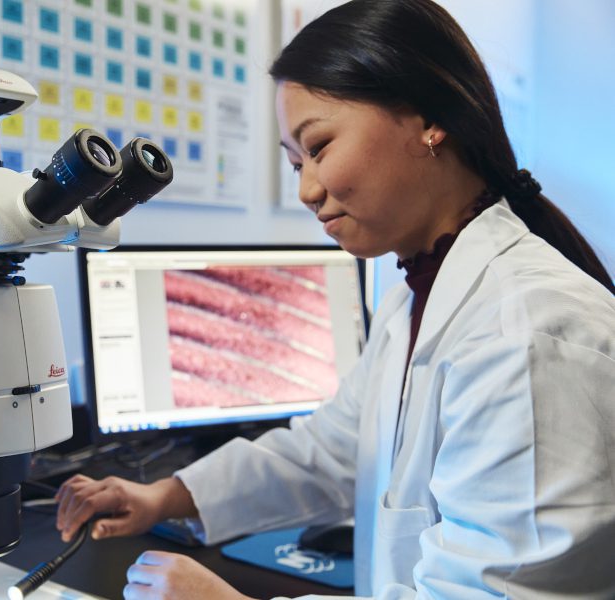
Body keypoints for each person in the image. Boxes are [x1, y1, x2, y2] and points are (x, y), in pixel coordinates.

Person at [55, 0, 615, 598]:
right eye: (294, 162)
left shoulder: (527, 333)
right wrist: (164, 495)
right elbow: (334, 452)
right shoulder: (415, 298)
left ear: (429, 120)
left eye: (318, 148)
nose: (306, 190)